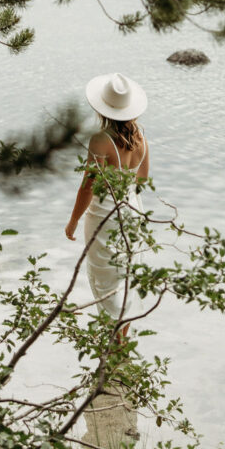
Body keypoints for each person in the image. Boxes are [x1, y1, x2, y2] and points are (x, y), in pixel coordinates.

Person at [65, 72, 149, 338]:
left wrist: (73, 220)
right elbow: (142, 179)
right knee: (125, 277)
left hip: (105, 216)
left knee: (107, 279)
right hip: (133, 212)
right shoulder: (141, 137)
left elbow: (89, 186)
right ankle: (121, 343)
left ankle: (114, 347)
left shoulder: (100, 140)